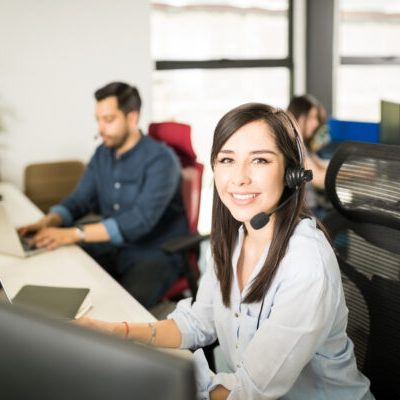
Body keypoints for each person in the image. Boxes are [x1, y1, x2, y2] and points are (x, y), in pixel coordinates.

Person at [76, 103, 374, 400]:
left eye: (259, 160)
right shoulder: (235, 238)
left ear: (291, 172)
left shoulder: (306, 264)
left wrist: (155, 383)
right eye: (227, 160)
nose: (239, 177)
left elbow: (249, 391)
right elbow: (198, 322)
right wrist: (119, 334)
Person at [18, 82, 189, 309]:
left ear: (132, 118)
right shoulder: (102, 154)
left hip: (155, 251)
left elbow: (139, 221)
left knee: (118, 309)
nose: (100, 128)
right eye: (98, 119)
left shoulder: (161, 160)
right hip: (112, 246)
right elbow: (80, 199)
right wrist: (47, 221)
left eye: (108, 120)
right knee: (59, 273)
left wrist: (74, 233)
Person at [287, 94, 329, 189]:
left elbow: (321, 165)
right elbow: (319, 179)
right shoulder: (294, 144)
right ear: (297, 117)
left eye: (316, 118)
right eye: (310, 117)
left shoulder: (302, 143)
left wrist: (354, 169)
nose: (316, 123)